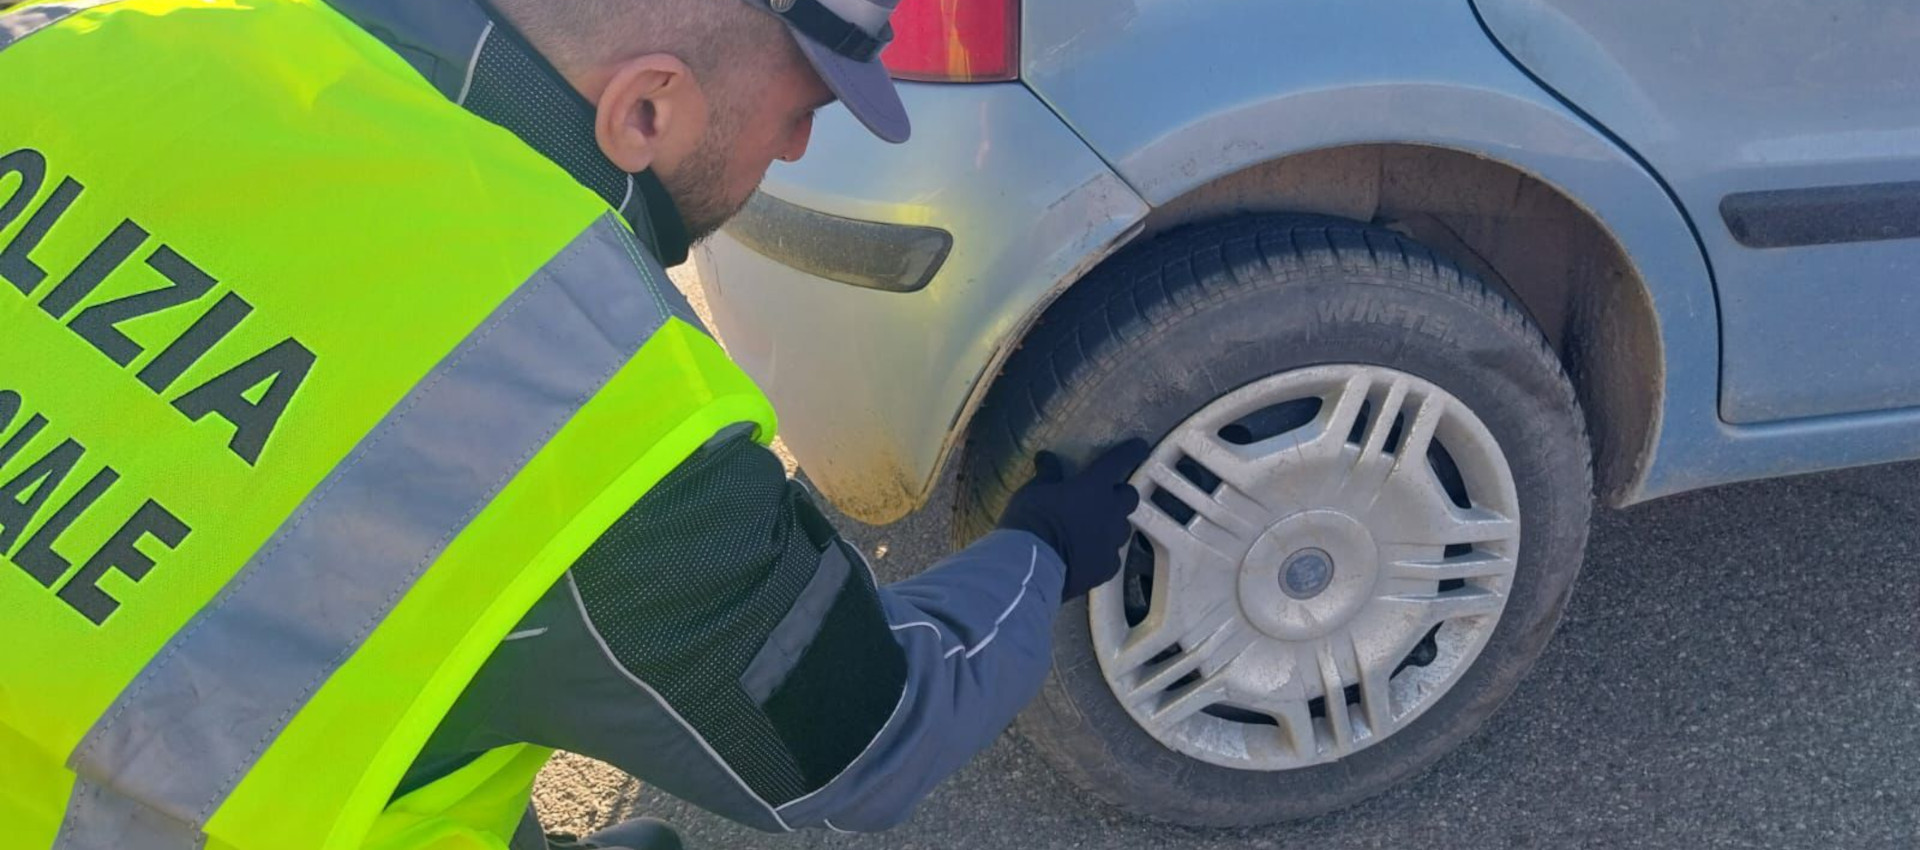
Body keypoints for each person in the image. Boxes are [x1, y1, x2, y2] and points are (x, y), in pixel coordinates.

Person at [0, 1, 1147, 849]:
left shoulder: (86, 43)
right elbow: (872, 732)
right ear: (645, 107)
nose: (796, 151)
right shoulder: (591, 416)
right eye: (797, 109)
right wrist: (1039, 546)